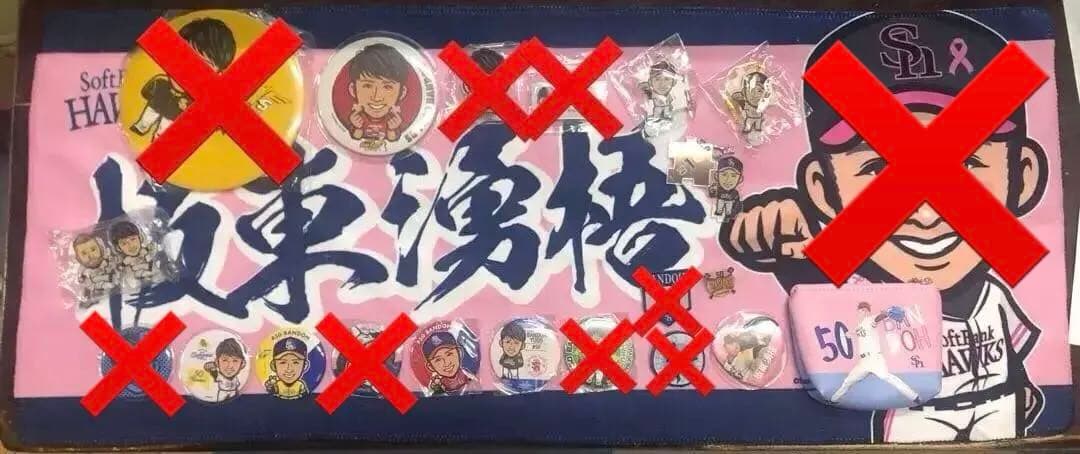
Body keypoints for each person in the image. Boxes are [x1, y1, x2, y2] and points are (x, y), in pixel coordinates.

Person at [719, 11, 1045, 442]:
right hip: (914, 416)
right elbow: (801, 270)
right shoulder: (857, 288)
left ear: (1023, 176)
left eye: (967, 163)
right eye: (876, 168)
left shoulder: (994, 295)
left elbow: (1020, 355)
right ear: (820, 189)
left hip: (1000, 413)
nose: (926, 214)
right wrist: (772, 234)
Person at [130, 18, 236, 139]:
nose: (188, 69)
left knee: (165, 128)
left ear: (218, 75)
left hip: (172, 119)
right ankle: (142, 126)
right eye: (184, 56)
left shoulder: (196, 102)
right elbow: (147, 91)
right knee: (149, 114)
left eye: (202, 66)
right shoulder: (161, 81)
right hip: (154, 107)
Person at [829, 302, 920, 405]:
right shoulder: (860, 325)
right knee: (848, 381)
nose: (861, 312)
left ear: (866, 311)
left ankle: (914, 396)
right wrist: (850, 334)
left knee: (886, 377)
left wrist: (885, 314)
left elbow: (877, 319)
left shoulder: (870, 320)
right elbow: (858, 332)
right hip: (863, 362)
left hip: (874, 358)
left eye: (863, 310)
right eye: (860, 310)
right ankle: (833, 400)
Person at [346, 43, 410, 151]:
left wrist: (392, 129)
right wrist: (357, 127)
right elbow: (355, 137)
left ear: (402, 93)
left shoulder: (393, 119)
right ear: (353, 90)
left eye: (387, 87)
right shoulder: (357, 117)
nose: (377, 97)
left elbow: (394, 140)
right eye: (367, 86)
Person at [204, 338, 246, 402]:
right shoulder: (220, 376)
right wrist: (211, 367)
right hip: (222, 393)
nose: (230, 366)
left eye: (235, 360)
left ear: (242, 363)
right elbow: (211, 370)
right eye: (225, 360)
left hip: (234, 393)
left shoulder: (236, 377)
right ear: (217, 361)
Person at [708, 156, 744, 221]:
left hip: (729, 204)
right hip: (718, 205)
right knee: (719, 209)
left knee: (728, 210)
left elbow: (737, 204)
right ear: (716, 175)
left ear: (740, 179)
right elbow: (711, 195)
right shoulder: (717, 189)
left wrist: (735, 212)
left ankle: (727, 215)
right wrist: (712, 190)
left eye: (733, 176)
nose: (728, 179)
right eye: (724, 174)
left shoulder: (735, 193)